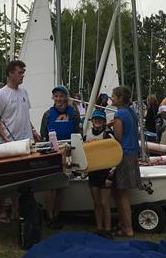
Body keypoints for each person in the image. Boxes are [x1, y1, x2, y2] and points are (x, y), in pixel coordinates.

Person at [0, 60, 41, 221]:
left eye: (23, 72)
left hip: (24, 142)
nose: (22, 75)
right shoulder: (0, 95)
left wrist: (33, 130)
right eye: (20, 72)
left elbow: (25, 114)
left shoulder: (24, 93)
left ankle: (17, 210)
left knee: (20, 178)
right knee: (3, 178)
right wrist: (5, 138)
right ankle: (3, 210)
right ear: (11, 73)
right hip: (5, 143)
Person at [39, 85, 81, 228]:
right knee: (50, 186)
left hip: (68, 152)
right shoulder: (47, 114)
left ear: (66, 97)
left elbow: (78, 133)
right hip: (52, 153)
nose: (58, 99)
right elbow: (43, 135)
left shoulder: (74, 113)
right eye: (56, 96)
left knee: (62, 186)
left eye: (61, 96)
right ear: (53, 98)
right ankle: (49, 215)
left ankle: (57, 214)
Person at [108, 85, 141, 237]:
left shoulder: (119, 114)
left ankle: (128, 229)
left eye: (113, 96)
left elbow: (119, 137)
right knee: (119, 192)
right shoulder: (131, 112)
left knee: (121, 195)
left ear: (120, 98)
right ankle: (123, 224)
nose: (111, 98)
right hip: (133, 153)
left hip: (124, 155)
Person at [85, 110, 113, 238]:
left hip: (105, 173)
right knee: (96, 202)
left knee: (104, 203)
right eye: (95, 119)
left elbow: (116, 155)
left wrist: (110, 175)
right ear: (92, 121)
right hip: (93, 172)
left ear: (104, 122)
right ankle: (99, 228)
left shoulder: (108, 135)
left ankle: (108, 229)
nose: (97, 121)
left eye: (100, 119)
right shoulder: (87, 135)